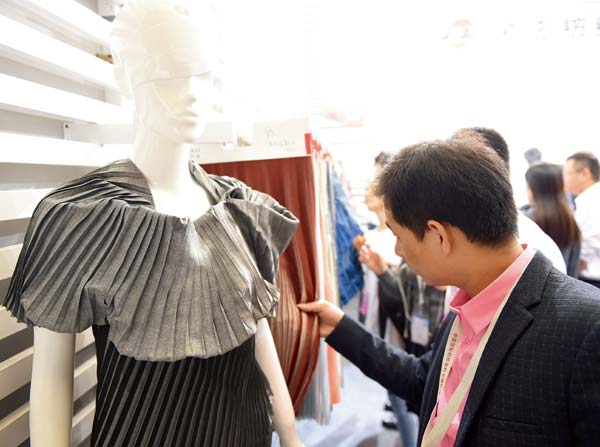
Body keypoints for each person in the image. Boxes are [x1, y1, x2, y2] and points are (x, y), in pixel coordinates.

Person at [2, 1, 302, 446]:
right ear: (125, 76)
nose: (192, 94)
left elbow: (257, 334)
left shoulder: (239, 206)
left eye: (201, 75)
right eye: (169, 75)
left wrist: (291, 434)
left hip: (246, 432)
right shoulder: (78, 214)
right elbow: (50, 378)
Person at [299, 137, 600, 446]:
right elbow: (425, 381)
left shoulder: (585, 329)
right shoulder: (468, 302)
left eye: (399, 236)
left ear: (439, 235)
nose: (399, 251)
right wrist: (339, 328)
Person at [525, 162, 582, 276]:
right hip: (565, 284)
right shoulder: (571, 221)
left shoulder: (526, 221)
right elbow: (573, 270)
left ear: (533, 188)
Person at [563, 152, 600, 287]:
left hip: (592, 281)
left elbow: (587, 248)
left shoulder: (591, 201)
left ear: (584, 173)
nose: (564, 179)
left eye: (567, 173)